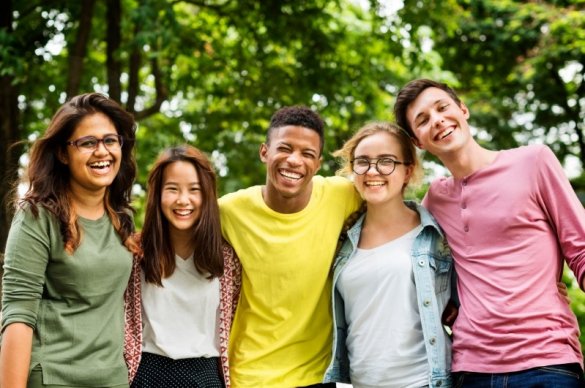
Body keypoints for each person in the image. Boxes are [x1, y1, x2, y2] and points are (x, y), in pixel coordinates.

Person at [394, 78, 585, 387]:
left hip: (547, 362)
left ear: (463, 110)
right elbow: (418, 271)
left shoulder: (533, 162)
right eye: (423, 120)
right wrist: (448, 304)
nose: (437, 120)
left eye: (442, 108)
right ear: (418, 141)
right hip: (470, 370)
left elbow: (581, 250)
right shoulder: (435, 201)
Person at [0, 93, 140, 387]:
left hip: (112, 379)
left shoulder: (121, 218)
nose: (102, 151)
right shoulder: (37, 216)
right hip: (54, 378)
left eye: (110, 140)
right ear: (63, 153)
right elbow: (18, 315)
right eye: (88, 143)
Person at [219, 106, 362, 387]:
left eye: (307, 154)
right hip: (248, 375)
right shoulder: (228, 211)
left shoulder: (342, 195)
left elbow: (392, 205)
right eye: (285, 149)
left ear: (318, 163)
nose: (294, 160)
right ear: (264, 152)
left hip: (316, 376)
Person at [322, 122, 453, 388]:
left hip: (424, 382)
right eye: (363, 162)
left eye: (386, 161)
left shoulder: (434, 235)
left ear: (408, 170)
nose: (373, 171)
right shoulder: (342, 239)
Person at [130, 145, 241, 388]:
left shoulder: (227, 259)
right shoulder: (135, 253)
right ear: (157, 194)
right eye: (172, 189)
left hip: (207, 376)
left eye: (194, 190)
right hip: (147, 375)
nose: (183, 200)